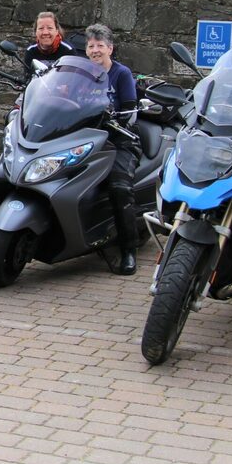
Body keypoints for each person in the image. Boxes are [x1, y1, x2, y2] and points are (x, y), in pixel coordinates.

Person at [84, 23, 140, 276]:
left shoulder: (121, 73)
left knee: (119, 188)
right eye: (91, 45)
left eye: (100, 45)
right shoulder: (81, 73)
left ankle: (129, 250)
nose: (95, 50)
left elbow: (130, 110)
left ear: (110, 48)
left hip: (119, 140)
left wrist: (116, 122)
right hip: (86, 139)